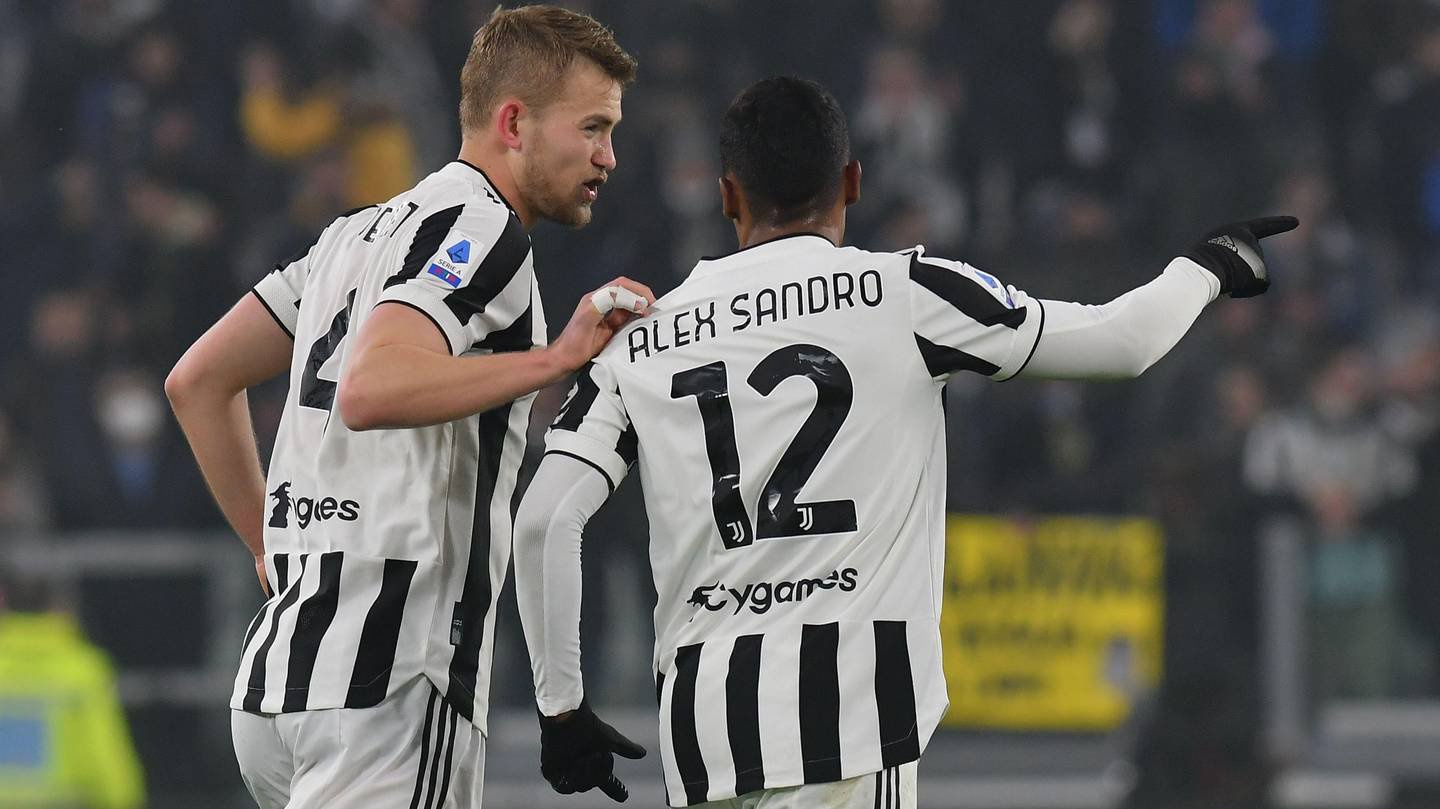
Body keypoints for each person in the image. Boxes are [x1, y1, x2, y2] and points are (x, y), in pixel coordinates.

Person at [512, 75, 1296, 808]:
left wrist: (561, 708)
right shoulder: (907, 294)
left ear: (727, 195)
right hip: (852, 724)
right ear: (852, 182)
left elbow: (545, 517)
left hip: (707, 734)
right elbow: (1123, 340)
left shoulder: (642, 339)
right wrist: (1210, 267)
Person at [165, 6, 649, 808]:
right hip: (387, 678)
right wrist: (554, 359)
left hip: (282, 677)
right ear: (514, 123)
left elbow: (198, 381)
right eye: (592, 128)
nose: (608, 156)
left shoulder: (353, 236)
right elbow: (371, 388)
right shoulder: (485, 231)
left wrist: (265, 542)